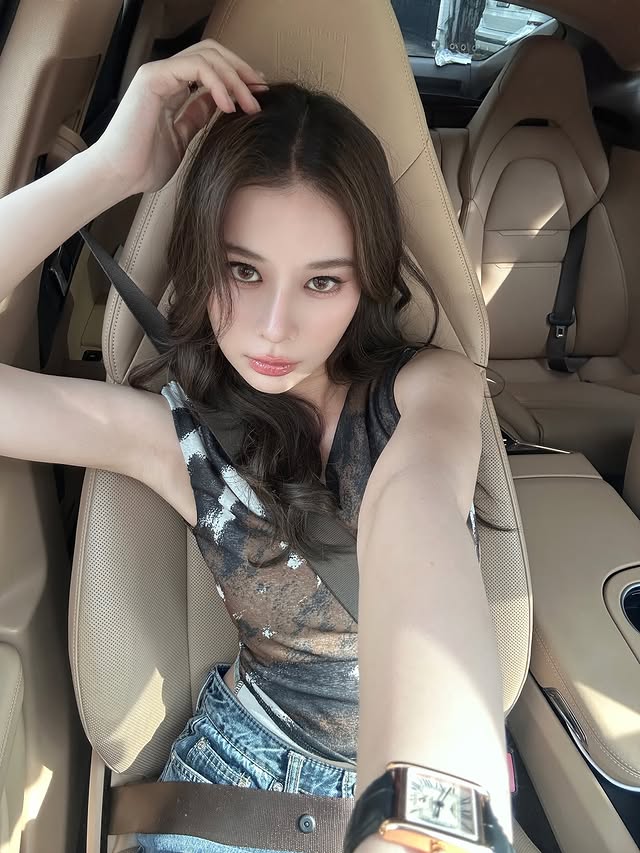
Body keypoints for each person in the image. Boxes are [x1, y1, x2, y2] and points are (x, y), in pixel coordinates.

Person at [0, 39, 515, 853]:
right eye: (243, 271)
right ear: (201, 257)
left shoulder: (428, 390)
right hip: (239, 789)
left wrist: (426, 820)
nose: (275, 328)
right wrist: (108, 170)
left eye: (322, 281)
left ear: (368, 281)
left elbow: (416, 512)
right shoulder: (176, 437)